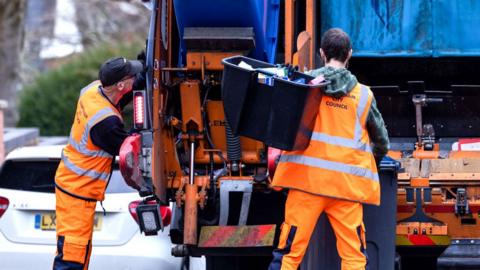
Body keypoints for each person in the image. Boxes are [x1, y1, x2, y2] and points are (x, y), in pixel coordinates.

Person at [268, 28, 389, 270]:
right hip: (345, 188)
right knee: (354, 258)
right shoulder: (363, 95)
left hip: (305, 184)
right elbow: (382, 142)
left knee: (289, 255)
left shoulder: (304, 85)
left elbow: (279, 127)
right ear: (350, 54)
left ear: (321, 54)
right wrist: (366, 162)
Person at [53, 56, 145, 269]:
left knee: (78, 250)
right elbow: (128, 149)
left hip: (71, 184)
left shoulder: (93, 90)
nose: (135, 78)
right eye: (132, 76)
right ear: (120, 84)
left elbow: (120, 97)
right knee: (72, 254)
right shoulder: (106, 123)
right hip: (78, 191)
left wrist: (141, 77)